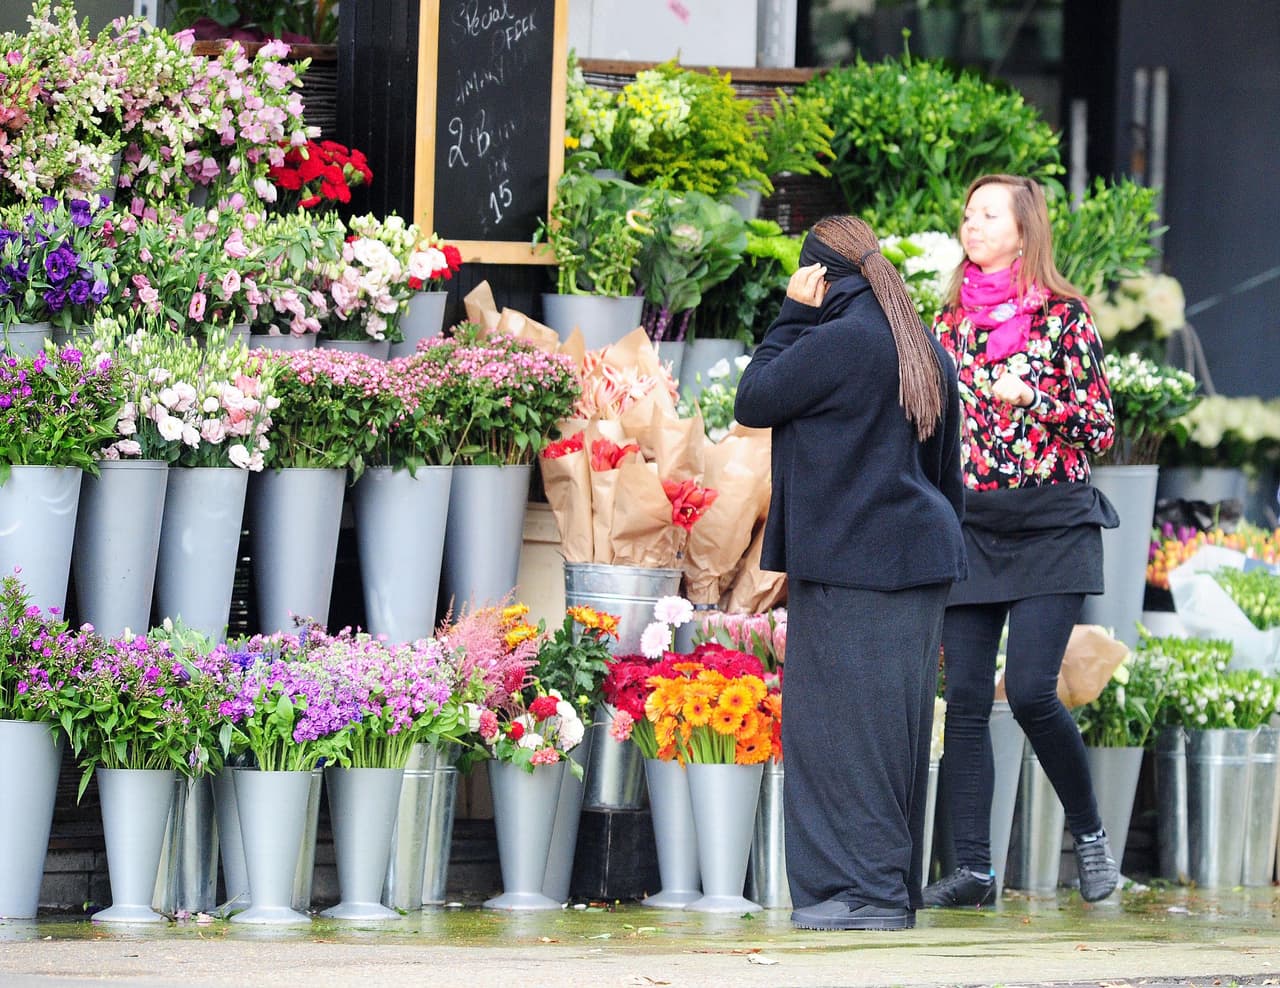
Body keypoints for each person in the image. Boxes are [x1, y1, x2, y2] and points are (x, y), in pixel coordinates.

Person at [735, 215, 967, 931]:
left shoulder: (835, 340)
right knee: (890, 733)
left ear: (820, 277)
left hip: (854, 563)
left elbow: (755, 399)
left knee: (839, 735)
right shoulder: (921, 343)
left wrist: (789, 317)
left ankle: (865, 896)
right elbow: (945, 470)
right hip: (917, 559)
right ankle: (883, 891)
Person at [922, 174, 1121, 910]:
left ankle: (1093, 835)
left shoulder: (1066, 319)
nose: (971, 224)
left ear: (1023, 230)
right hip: (975, 525)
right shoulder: (947, 327)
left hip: (1053, 523)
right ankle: (973, 869)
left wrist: (1034, 398)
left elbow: (1101, 427)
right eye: (967, 213)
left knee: (1034, 689)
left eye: (987, 214)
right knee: (967, 697)